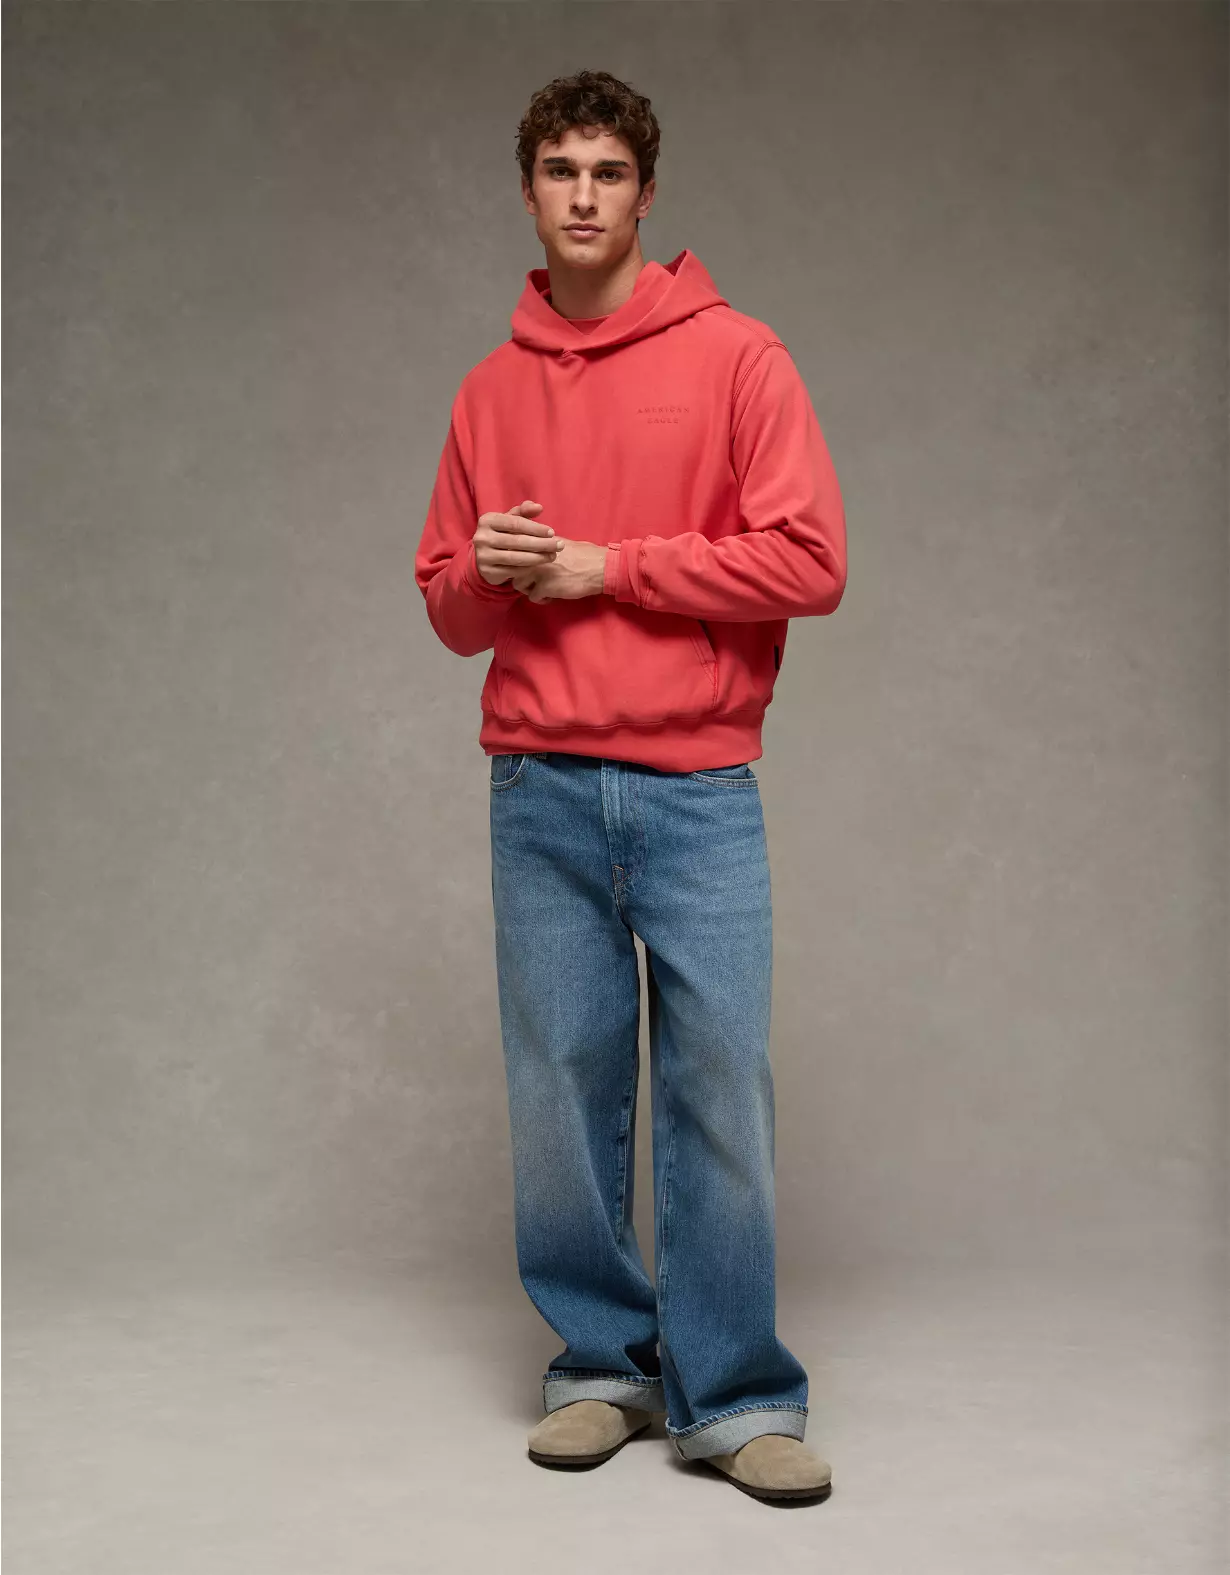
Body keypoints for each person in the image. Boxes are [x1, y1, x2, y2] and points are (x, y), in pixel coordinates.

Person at [415, 69, 847, 1505]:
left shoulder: (740, 360)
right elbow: (449, 611)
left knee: (720, 1084)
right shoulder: (488, 391)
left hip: (695, 785)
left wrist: (610, 567)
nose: (585, 195)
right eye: (561, 170)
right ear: (528, 191)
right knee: (561, 1087)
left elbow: (810, 562)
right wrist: (490, 572)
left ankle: (735, 1396)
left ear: (647, 194)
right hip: (538, 788)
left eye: (608, 171)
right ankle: (599, 1367)